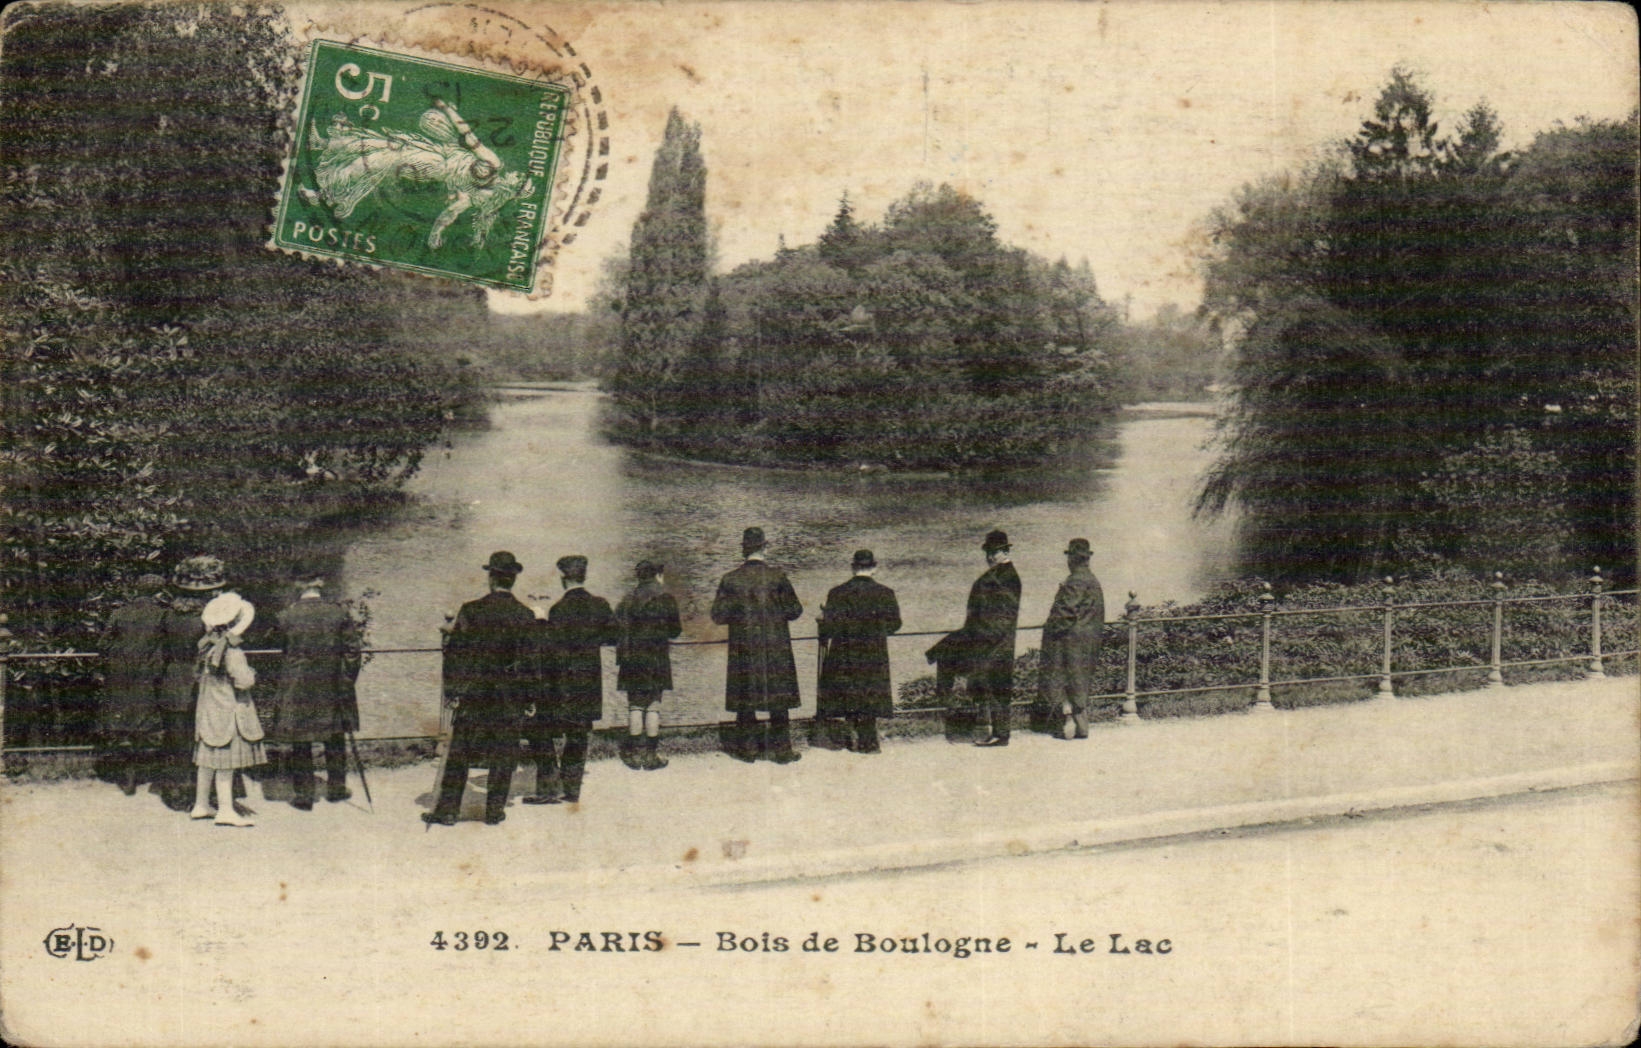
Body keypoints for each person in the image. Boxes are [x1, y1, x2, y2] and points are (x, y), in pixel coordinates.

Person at [424, 551, 536, 827]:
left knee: (459, 751)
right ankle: (494, 811)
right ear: (513, 580)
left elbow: (455, 653)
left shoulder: (471, 610)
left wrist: (452, 690)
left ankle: (448, 811)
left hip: (476, 691)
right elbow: (532, 660)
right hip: (509, 692)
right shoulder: (524, 614)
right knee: (504, 752)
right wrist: (530, 696)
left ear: (491, 578)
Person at [525, 555, 618, 805]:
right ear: (584, 576)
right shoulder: (600, 605)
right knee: (578, 735)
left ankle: (549, 787)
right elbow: (614, 635)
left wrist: (540, 625)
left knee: (542, 730)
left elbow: (550, 649)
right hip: (588, 682)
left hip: (562, 682)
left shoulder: (558, 610)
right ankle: (572, 788)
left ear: (563, 578)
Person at [270, 564, 361, 810]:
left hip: (298, 686)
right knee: (335, 737)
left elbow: (280, 652)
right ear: (320, 582)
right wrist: (345, 681)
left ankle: (304, 795)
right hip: (332, 685)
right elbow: (353, 651)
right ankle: (336, 789)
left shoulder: (286, 615)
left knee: (301, 741)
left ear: (297, 585)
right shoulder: (339, 613)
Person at [711, 527, 804, 763]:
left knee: (745, 698)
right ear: (765, 547)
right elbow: (795, 611)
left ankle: (748, 750)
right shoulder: (778, 577)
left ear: (744, 550)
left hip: (743, 647)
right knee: (779, 699)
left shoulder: (730, 579)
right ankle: (782, 751)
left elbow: (718, 616)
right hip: (776, 646)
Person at [927, 529, 1021, 747]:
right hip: (988, 639)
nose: (990, 556)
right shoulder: (1000, 575)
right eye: (988, 552)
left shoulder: (1007, 577)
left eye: (995, 552)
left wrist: (980, 636)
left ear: (1006, 551)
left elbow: (1004, 617)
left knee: (996, 686)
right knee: (989, 685)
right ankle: (993, 731)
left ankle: (999, 733)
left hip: (994, 642)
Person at [155, 556, 227, 810]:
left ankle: (176, 792)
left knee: (177, 740)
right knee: (208, 739)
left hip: (173, 682)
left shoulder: (167, 617)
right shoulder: (211, 621)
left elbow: (159, 652)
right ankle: (209, 793)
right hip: (203, 683)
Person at [815, 550, 903, 754]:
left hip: (845, 652)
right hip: (873, 653)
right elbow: (895, 624)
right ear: (874, 567)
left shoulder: (837, 592)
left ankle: (851, 734)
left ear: (853, 567)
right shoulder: (885, 593)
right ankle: (870, 741)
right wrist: (877, 630)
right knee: (871, 693)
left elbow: (829, 628)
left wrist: (824, 618)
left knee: (848, 692)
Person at [190, 591, 266, 827]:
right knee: (225, 761)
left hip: (209, 708)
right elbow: (243, 681)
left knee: (207, 759)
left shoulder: (206, 646)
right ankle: (225, 810)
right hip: (228, 710)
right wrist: (252, 674)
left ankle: (201, 804)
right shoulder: (231, 651)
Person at [96, 574, 168, 796]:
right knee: (143, 723)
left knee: (121, 722)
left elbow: (103, 644)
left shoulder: (120, 612)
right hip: (147, 676)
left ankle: (126, 775)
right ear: (158, 592)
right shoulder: (162, 614)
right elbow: (166, 647)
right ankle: (139, 773)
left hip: (119, 676)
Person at [614, 559, 682, 771]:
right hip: (656, 658)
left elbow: (616, 629)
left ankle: (634, 756)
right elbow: (675, 631)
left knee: (635, 705)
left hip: (632, 659)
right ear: (656, 575)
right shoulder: (666, 598)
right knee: (653, 705)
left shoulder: (627, 600)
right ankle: (651, 756)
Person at [1037, 538, 1106, 740]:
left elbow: (1065, 611)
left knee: (1065, 681)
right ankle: (1080, 726)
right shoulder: (1092, 579)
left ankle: (1069, 724)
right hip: (1088, 639)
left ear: (1072, 559)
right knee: (1080, 682)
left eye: (1069, 557)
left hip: (1071, 641)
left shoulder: (1076, 580)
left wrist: (1050, 629)